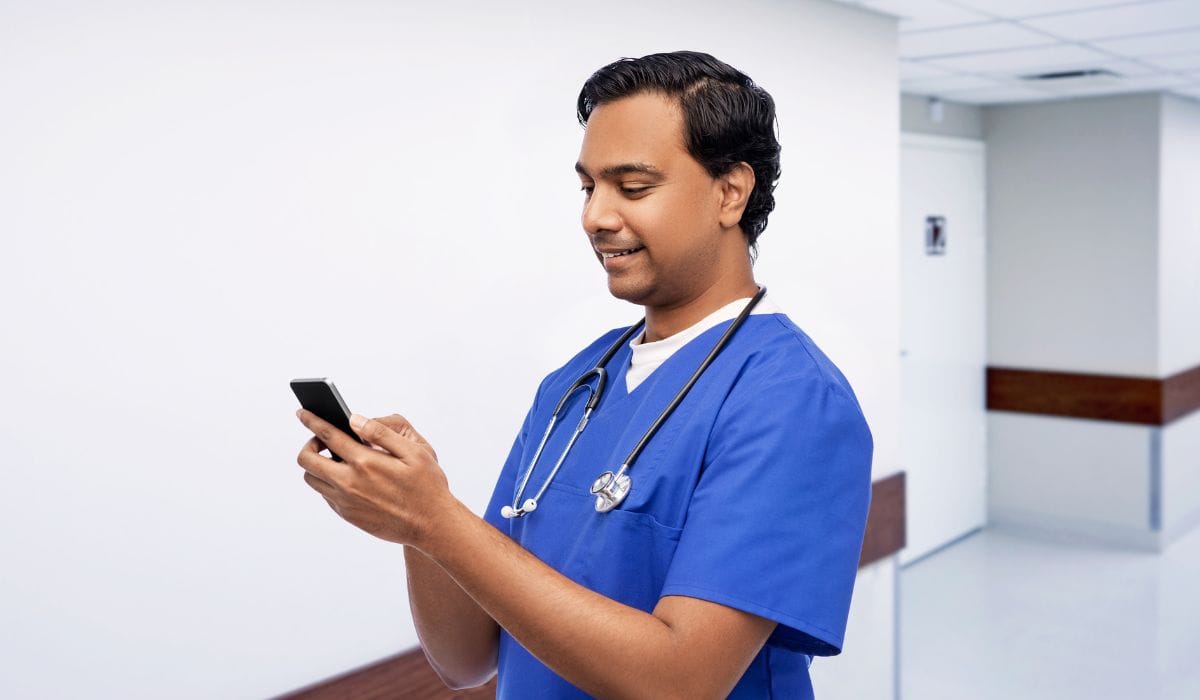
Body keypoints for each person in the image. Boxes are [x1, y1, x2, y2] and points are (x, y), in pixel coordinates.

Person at [294, 50, 873, 698]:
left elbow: (681, 683)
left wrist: (436, 521)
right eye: (587, 186)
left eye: (632, 187)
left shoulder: (790, 401)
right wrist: (414, 519)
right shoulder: (575, 386)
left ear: (729, 192)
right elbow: (465, 659)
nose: (595, 216)